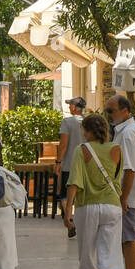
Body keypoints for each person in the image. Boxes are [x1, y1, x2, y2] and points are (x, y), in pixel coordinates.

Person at [63, 113, 124, 269]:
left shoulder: (82, 151)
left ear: (87, 131)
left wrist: (67, 211)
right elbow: (118, 179)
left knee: (86, 253)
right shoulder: (117, 149)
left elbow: (74, 182)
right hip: (112, 206)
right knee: (107, 253)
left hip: (87, 207)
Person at [104, 94, 135, 269]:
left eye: (111, 111)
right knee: (129, 236)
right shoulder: (131, 130)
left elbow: (129, 169)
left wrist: (123, 198)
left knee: (128, 238)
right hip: (130, 193)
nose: (108, 115)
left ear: (124, 111)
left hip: (127, 195)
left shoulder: (128, 133)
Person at [57, 96, 86, 237]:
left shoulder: (67, 122)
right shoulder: (88, 122)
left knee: (65, 195)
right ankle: (80, 221)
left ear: (74, 107)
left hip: (69, 164)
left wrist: (58, 162)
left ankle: (69, 220)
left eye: (70, 105)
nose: (69, 107)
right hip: (86, 166)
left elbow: (63, 145)